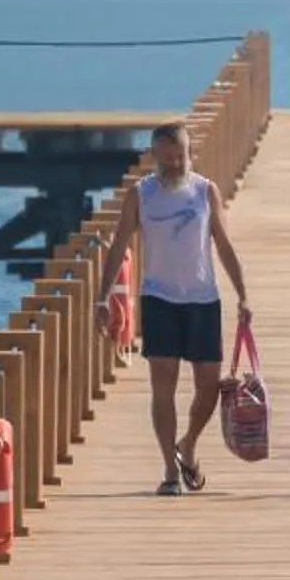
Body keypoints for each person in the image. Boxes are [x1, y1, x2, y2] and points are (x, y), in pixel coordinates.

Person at [105, 121, 251, 496]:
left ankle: (187, 443)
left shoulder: (205, 191)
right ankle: (170, 469)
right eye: (167, 158)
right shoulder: (142, 195)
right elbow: (119, 245)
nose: (174, 164)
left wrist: (243, 295)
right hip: (159, 300)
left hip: (202, 299)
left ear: (189, 153)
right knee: (163, 388)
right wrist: (101, 297)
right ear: (154, 157)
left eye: (180, 156)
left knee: (208, 388)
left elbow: (223, 244)